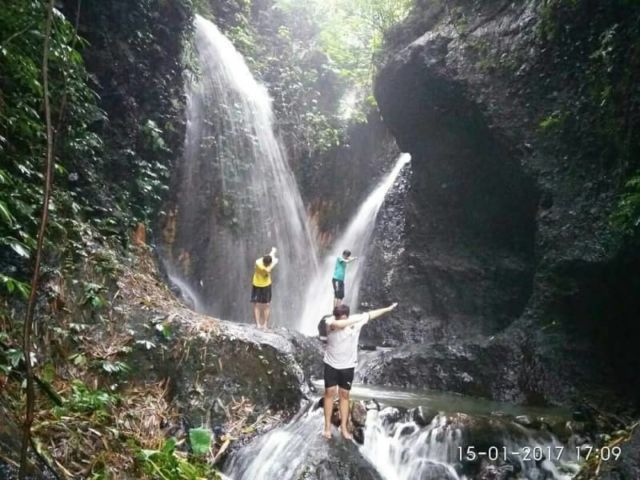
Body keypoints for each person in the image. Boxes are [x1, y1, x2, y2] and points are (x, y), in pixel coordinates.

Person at [323, 302, 398, 439]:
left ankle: (344, 428)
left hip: (348, 365)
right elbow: (339, 325)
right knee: (329, 392)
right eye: (339, 317)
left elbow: (372, 314)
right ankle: (327, 427)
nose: (341, 319)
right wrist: (358, 318)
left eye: (343, 316)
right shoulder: (330, 322)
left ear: (347, 315)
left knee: (344, 395)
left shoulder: (356, 322)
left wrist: (387, 309)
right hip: (331, 364)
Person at [251, 247, 278, 329]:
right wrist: (274, 261)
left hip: (263, 284)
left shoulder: (260, 261)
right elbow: (269, 268)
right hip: (259, 284)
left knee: (263, 305)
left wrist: (273, 251)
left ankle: (263, 324)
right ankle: (260, 324)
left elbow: (269, 256)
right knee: (261, 305)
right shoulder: (261, 266)